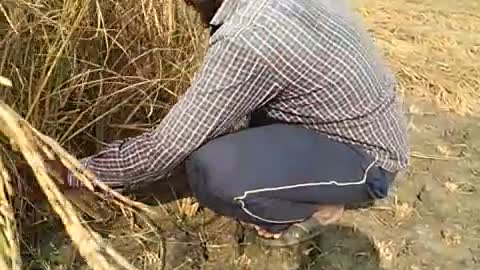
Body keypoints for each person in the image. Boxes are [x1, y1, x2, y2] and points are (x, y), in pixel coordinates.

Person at [17, 0, 409, 247]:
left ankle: (312, 206)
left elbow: (162, 150)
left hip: (366, 159)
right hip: (346, 127)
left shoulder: (252, 36)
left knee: (215, 172)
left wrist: (69, 175)